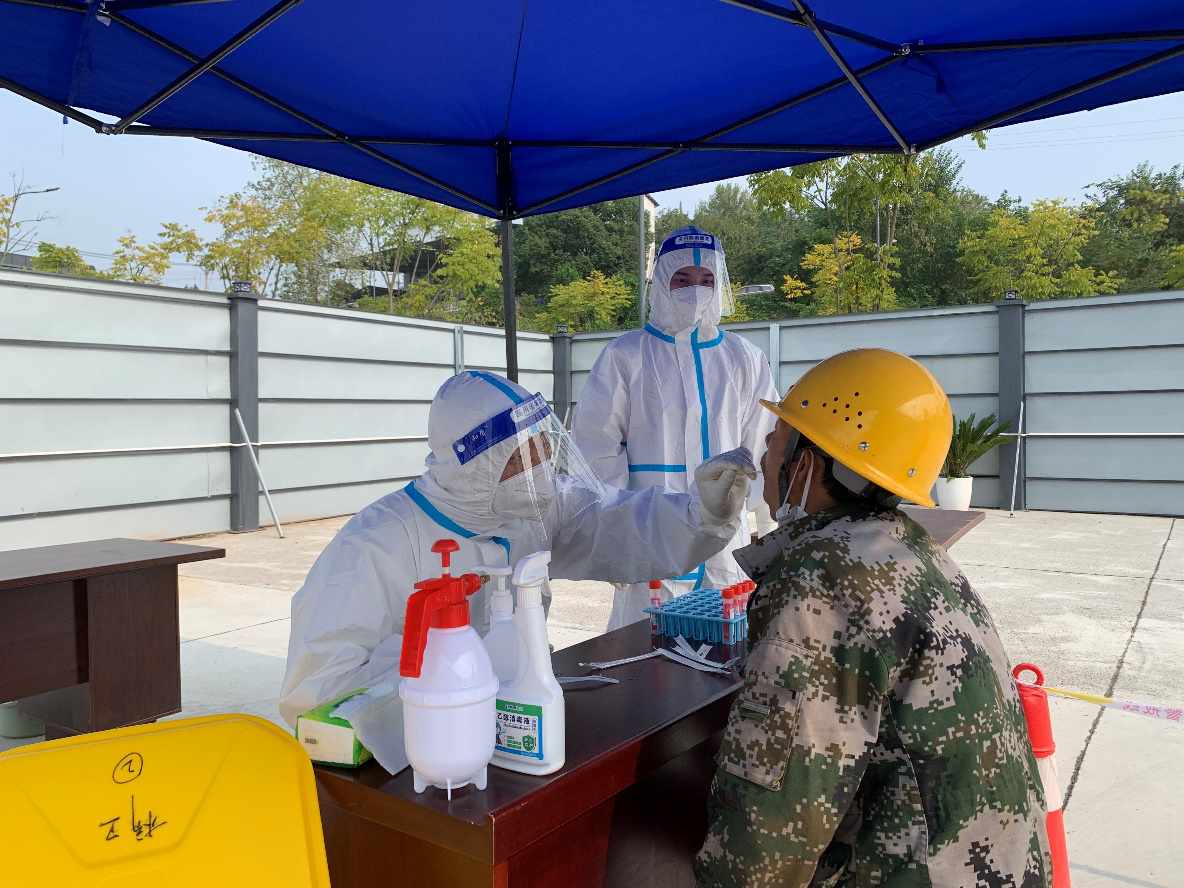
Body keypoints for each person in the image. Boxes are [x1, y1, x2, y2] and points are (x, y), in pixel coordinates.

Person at [695, 348, 1051, 888]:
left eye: (777, 436)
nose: (764, 450)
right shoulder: (910, 549)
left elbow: (774, 822)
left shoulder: (821, 579)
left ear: (806, 465)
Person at [279, 369, 755, 727]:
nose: (542, 467)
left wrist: (701, 515)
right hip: (417, 748)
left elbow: (619, 526)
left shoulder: (529, 506)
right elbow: (315, 693)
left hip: (516, 720)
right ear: (475, 466)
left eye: (544, 446)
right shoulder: (375, 544)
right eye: (521, 456)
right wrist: (453, 678)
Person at [571, 226, 778, 631]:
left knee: (725, 641)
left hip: (725, 535)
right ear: (662, 283)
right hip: (648, 530)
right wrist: (612, 533)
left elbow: (765, 442)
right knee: (646, 643)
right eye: (682, 279)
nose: (695, 291)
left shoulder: (744, 358)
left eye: (706, 280)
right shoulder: (626, 355)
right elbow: (596, 447)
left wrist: (767, 524)